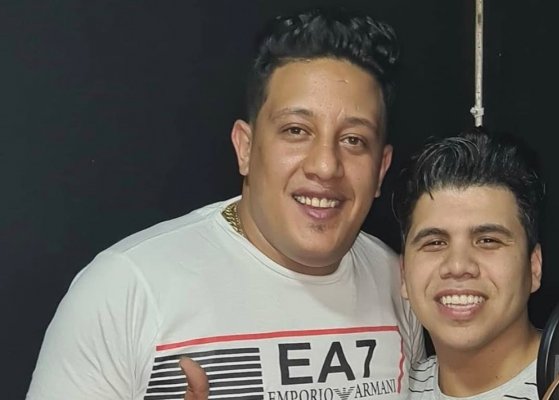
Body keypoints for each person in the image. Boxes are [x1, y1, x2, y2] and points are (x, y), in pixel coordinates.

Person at [27, 6, 423, 400]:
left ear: (381, 169)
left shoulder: (402, 287)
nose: (325, 165)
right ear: (245, 148)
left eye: (354, 140)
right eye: (296, 130)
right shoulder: (126, 289)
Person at [393, 127, 544, 399]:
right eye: (435, 243)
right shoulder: (394, 389)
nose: (458, 266)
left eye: (487, 241)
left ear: (534, 266)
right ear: (404, 274)